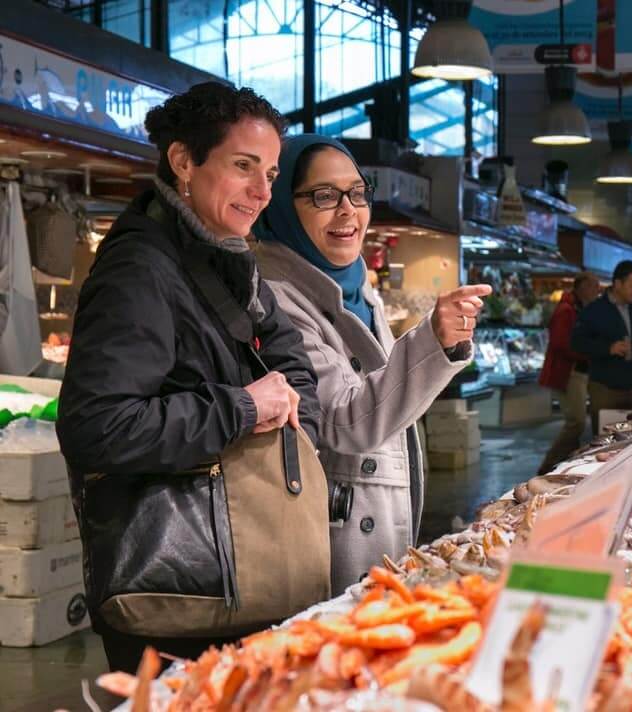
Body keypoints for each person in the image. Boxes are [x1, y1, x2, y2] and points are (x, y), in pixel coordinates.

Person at [57, 83, 321, 673]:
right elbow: (96, 426)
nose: (262, 192)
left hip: (245, 566)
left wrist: (290, 406)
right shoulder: (138, 268)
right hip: (177, 589)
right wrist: (243, 408)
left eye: (270, 174)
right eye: (243, 166)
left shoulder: (230, 257)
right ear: (183, 161)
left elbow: (293, 366)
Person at [253, 135, 491, 595]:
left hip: (377, 519)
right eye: (324, 196)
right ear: (282, 204)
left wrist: (439, 343)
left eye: (357, 193)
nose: (348, 210)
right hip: (329, 536)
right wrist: (430, 340)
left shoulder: (358, 289)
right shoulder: (275, 297)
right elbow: (346, 422)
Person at [572, 260, 632, 433]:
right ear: (618, 284)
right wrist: (608, 349)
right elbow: (577, 343)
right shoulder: (595, 310)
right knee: (607, 438)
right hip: (606, 387)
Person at [536, 272, 601, 474]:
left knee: (577, 423)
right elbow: (561, 343)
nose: (597, 290)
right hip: (568, 373)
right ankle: (549, 466)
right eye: (594, 286)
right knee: (576, 422)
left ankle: (565, 466)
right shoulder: (567, 310)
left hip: (574, 372)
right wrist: (588, 352)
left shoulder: (577, 308)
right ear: (582, 287)